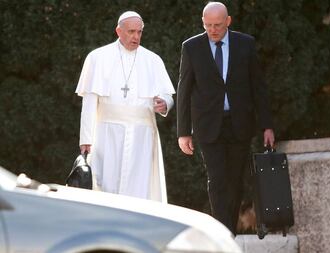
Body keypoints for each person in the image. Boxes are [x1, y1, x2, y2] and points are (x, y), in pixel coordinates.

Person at [176, 2, 275, 234]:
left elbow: (258, 87)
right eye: (208, 25)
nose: (213, 30)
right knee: (217, 180)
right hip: (209, 126)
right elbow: (184, 89)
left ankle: (228, 232)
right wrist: (183, 132)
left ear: (228, 21)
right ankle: (223, 234)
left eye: (218, 25)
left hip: (239, 124)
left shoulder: (245, 44)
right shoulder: (191, 47)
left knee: (235, 181)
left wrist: (267, 125)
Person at [75, 11, 175, 203]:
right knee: (105, 183)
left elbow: (167, 95)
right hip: (106, 133)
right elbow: (88, 101)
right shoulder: (97, 57)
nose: (136, 37)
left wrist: (164, 104)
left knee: (140, 186)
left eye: (139, 32)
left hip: (142, 136)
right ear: (118, 31)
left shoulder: (152, 60)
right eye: (131, 32)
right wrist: (86, 139)